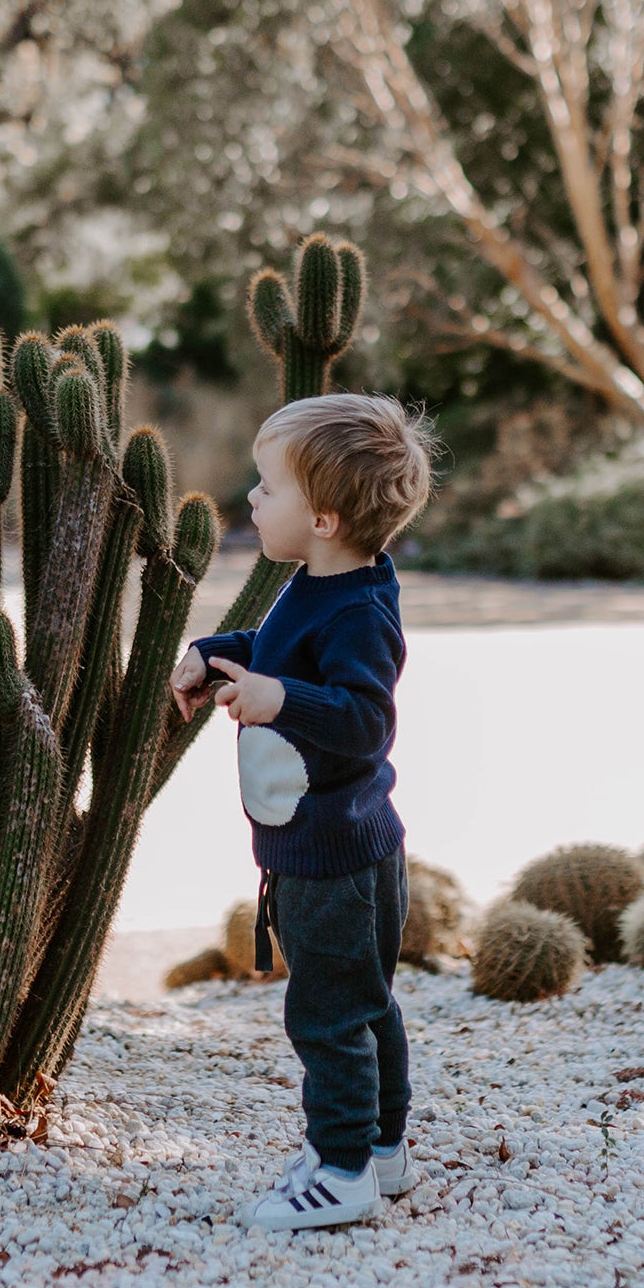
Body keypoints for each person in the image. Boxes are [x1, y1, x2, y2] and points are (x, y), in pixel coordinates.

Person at [169, 393, 437, 1232]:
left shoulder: (360, 610)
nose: (252, 498)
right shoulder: (323, 582)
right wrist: (218, 654)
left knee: (328, 1015)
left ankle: (343, 1170)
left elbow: (364, 719)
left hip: (337, 856)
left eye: (268, 488)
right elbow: (280, 650)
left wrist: (277, 698)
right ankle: (382, 1151)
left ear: (322, 518)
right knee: (366, 1001)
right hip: (332, 845)